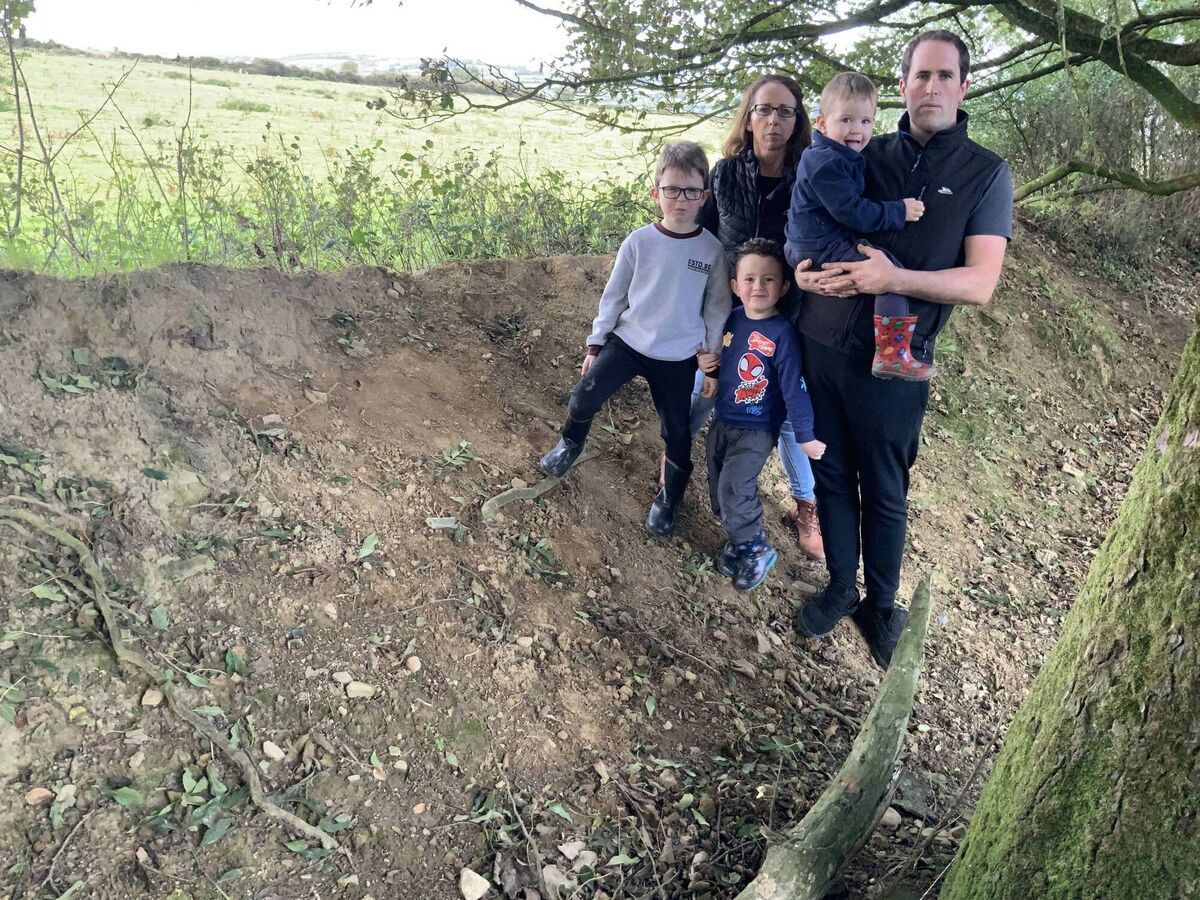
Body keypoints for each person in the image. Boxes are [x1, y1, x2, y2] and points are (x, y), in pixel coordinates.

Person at [791, 31, 1013, 667]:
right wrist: (797, 268)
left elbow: (980, 282)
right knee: (831, 474)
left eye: (946, 76)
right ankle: (840, 585)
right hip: (821, 344)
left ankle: (880, 606)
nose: (932, 87)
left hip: (896, 360)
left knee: (884, 490)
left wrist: (896, 280)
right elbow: (810, 214)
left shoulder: (984, 173)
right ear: (903, 85)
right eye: (921, 75)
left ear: (964, 86)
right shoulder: (863, 147)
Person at [538, 141, 732, 538]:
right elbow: (614, 295)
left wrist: (711, 359)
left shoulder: (711, 250)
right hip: (628, 343)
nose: (681, 199)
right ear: (655, 193)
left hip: (679, 356)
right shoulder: (639, 242)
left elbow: (716, 308)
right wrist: (596, 344)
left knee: (676, 433)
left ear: (704, 197)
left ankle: (669, 498)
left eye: (691, 191)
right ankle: (569, 445)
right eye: (672, 189)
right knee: (583, 397)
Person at [689, 73, 826, 562]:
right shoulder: (725, 174)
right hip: (731, 307)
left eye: (785, 111)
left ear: (798, 120)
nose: (773, 120)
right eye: (764, 110)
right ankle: (673, 472)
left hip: (791, 310)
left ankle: (806, 507)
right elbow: (704, 236)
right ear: (748, 118)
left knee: (790, 413)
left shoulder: (811, 174)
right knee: (705, 389)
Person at [784, 72, 932, 381]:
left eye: (866, 121)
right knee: (888, 271)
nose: (857, 130)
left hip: (810, 238)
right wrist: (898, 211)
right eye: (847, 120)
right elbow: (851, 211)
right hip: (817, 243)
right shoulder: (827, 161)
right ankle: (892, 353)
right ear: (822, 123)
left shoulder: (836, 155)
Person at [702, 239, 826, 591]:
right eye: (750, 279)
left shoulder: (783, 334)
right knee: (717, 485)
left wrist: (805, 434)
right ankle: (736, 541)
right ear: (734, 286)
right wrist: (709, 370)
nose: (758, 287)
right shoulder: (732, 320)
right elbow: (716, 353)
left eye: (769, 280)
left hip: (756, 429)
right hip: (723, 420)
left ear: (784, 287)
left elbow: (794, 387)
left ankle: (756, 549)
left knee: (735, 486)